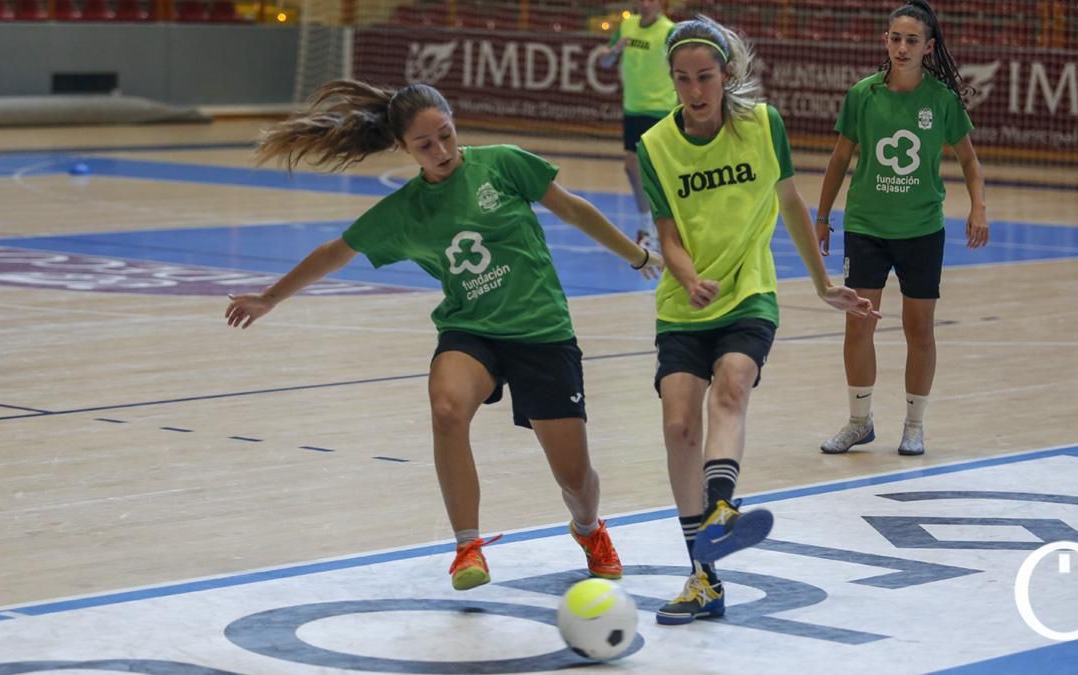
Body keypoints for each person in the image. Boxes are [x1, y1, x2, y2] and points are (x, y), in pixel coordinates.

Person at [224, 80, 662, 591]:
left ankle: (589, 529)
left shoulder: (503, 163)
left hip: (541, 329)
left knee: (575, 479)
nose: (442, 152)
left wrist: (637, 256)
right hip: (470, 329)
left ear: (455, 124)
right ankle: (467, 546)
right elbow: (336, 252)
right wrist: (270, 298)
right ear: (403, 149)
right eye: (425, 145)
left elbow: (571, 207)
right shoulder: (405, 210)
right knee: (447, 408)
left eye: (446, 136)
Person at [635, 16, 878, 625]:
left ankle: (722, 509)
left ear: (726, 74)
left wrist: (824, 283)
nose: (695, 90)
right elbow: (667, 236)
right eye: (683, 79)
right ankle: (703, 578)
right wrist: (688, 277)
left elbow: (789, 202)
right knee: (678, 426)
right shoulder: (655, 146)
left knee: (734, 383)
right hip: (684, 302)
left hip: (748, 292)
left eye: (706, 77)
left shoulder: (762, 125)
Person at [816, 0, 989, 457]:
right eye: (896, 38)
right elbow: (839, 159)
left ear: (928, 47)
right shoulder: (863, 94)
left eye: (912, 40)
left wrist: (978, 209)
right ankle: (859, 421)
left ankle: (914, 425)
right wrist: (821, 217)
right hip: (867, 226)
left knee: (920, 330)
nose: (902, 47)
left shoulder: (942, 101)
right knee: (859, 327)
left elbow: (969, 161)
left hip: (921, 230)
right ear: (885, 41)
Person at [595, 0, 676, 249]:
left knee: (661, 173)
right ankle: (647, 226)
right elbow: (604, 63)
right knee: (632, 168)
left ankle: (669, 228)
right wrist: (615, 50)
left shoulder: (670, 31)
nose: (645, 3)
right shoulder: (627, 25)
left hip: (662, 110)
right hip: (634, 109)